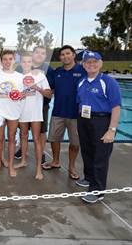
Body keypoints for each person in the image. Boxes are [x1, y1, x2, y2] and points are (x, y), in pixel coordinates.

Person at [76, 51, 121, 203]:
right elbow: (80, 102)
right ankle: (89, 178)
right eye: (87, 62)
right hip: (84, 120)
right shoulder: (82, 82)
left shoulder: (108, 82)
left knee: (100, 157)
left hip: (101, 121)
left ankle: (98, 190)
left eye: (94, 61)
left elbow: (116, 107)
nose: (91, 64)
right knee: (87, 151)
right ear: (83, 65)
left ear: (100, 63)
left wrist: (111, 130)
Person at [42, 45, 87, 180]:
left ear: (74, 55)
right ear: (60, 57)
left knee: (75, 142)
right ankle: (55, 161)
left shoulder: (83, 71)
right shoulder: (57, 72)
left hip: (76, 114)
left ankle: (72, 167)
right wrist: (36, 90)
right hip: (58, 112)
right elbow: (51, 91)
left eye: (68, 53)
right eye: (62, 54)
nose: (65, 56)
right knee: (54, 139)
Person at [16, 52, 51, 180]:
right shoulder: (17, 77)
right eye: (23, 62)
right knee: (23, 136)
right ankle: (23, 161)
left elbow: (48, 94)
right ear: (20, 63)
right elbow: (15, 95)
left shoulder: (39, 76)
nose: (26, 64)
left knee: (36, 139)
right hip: (22, 113)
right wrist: (19, 95)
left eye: (28, 62)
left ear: (32, 63)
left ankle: (38, 169)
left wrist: (36, 88)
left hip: (35, 113)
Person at [0, 50, 25, 177]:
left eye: (10, 59)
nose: (7, 61)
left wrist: (22, 95)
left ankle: (11, 165)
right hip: (0, 111)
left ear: (14, 60)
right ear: (1, 61)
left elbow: (23, 94)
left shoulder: (19, 77)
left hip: (14, 112)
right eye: (4, 59)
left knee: (11, 139)